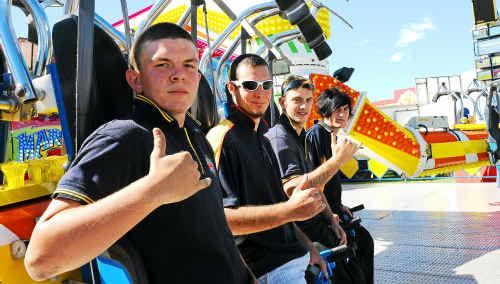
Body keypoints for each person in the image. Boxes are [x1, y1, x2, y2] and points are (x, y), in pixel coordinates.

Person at [25, 23, 254, 284]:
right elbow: (40, 260)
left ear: (198, 78)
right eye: (162, 64)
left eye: (189, 65)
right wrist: (152, 191)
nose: (178, 75)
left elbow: (216, 227)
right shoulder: (125, 136)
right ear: (135, 79)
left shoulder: (194, 132)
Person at [206, 54, 326, 283]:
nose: (260, 93)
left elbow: (279, 203)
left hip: (294, 257)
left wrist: (308, 247)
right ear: (232, 88)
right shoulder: (222, 138)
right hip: (269, 269)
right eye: (250, 85)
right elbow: (222, 222)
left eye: (266, 85)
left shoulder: (262, 134)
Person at [264, 75, 357, 248]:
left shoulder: (302, 137)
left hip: (316, 219)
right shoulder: (280, 138)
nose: (303, 106)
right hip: (300, 229)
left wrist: (330, 216)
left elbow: (314, 186)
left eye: (308, 100)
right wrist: (337, 161)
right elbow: (296, 188)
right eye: (297, 100)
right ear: (283, 102)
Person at [306, 87, 374, 284]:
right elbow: (315, 183)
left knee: (365, 242)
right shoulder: (316, 135)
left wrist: (339, 204)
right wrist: (329, 213)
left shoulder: (335, 136)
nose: (342, 114)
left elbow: (332, 182)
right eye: (337, 110)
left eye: (345, 109)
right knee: (351, 263)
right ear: (326, 111)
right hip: (321, 214)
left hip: (334, 209)